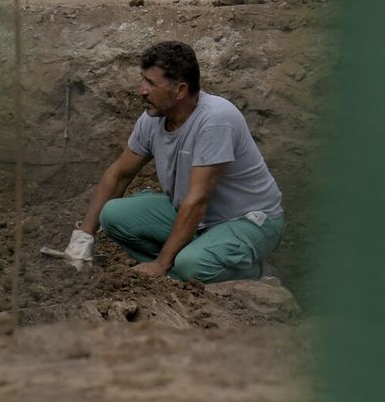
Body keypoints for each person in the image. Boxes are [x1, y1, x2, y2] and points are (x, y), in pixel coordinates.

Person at [46, 41, 284, 282]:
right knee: (113, 215)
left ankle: (254, 273)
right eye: (143, 80)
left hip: (247, 221)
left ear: (180, 91)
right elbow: (120, 174)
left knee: (191, 266)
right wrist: (84, 235)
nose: (142, 90)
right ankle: (183, 266)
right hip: (197, 217)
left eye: (151, 83)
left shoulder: (215, 120)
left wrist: (161, 262)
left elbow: (198, 199)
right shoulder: (153, 117)